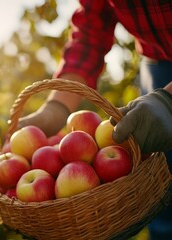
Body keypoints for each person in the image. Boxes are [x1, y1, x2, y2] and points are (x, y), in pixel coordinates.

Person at [18, 1, 172, 239]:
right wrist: (57, 106)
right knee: (163, 192)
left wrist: (169, 101)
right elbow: (90, 32)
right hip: (157, 63)